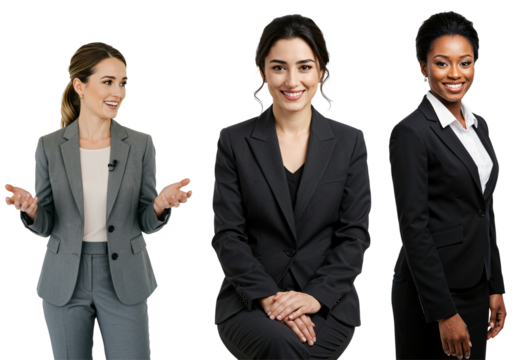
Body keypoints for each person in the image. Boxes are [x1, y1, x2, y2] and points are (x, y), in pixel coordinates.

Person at [4, 40, 193, 360]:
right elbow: (48, 224)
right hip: (65, 279)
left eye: (122, 83)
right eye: (108, 82)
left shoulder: (141, 143)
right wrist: (32, 211)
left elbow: (146, 223)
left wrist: (160, 205)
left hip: (125, 277)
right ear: (80, 85)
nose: (118, 92)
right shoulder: (49, 145)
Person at [212, 13, 371, 360]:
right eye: (279, 67)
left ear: (321, 72)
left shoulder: (350, 142)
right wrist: (269, 297)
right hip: (250, 299)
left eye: (304, 67)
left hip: (327, 301)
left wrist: (313, 297)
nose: (292, 80)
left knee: (293, 346)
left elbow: (354, 236)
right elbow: (228, 235)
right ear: (263, 72)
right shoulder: (234, 141)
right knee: (281, 344)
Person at [388, 10, 507, 360]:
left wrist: (495, 285)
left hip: (476, 285)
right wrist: (443, 311)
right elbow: (413, 226)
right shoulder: (410, 132)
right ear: (423, 68)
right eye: (442, 63)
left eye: (465, 62)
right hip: (432, 294)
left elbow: (485, 209)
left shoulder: (477, 123)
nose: (455, 74)